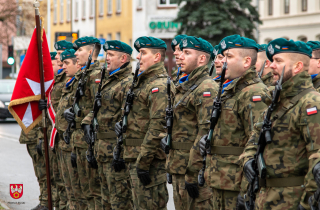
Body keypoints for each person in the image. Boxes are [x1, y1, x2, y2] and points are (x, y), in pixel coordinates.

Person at [243, 38, 320, 209]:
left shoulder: (310, 102)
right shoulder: (276, 100)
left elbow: (317, 159)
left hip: (291, 200)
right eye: (271, 61)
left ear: (298, 66)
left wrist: (308, 203)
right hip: (265, 198)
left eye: (278, 61)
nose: (271, 66)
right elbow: (255, 137)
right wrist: (248, 159)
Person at [198, 34, 270, 210]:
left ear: (246, 62)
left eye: (229, 57)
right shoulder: (230, 90)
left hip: (237, 184)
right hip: (220, 180)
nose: (222, 61)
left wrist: (246, 191)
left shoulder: (253, 93)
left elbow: (256, 145)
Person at [114, 36, 170, 209]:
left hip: (148, 162)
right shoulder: (142, 82)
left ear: (157, 57)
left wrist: (143, 163)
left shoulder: (158, 85)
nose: (138, 57)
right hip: (134, 157)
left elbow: (158, 127)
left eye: (143, 53)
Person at [164, 36, 218, 210]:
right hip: (180, 166)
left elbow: (204, 134)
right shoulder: (186, 84)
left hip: (194, 171)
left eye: (187, 53)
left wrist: (192, 173)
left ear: (202, 59)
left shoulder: (206, 88)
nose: (179, 56)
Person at [81, 40, 134, 210]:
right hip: (101, 150)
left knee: (120, 202)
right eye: (106, 54)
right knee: (105, 201)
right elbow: (98, 109)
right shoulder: (108, 79)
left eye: (111, 55)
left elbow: (130, 118)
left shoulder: (128, 83)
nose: (106, 58)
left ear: (124, 58)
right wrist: (87, 122)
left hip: (116, 152)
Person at [63, 36, 102, 210]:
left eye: (80, 50)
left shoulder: (97, 76)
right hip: (78, 139)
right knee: (82, 192)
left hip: (89, 140)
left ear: (91, 52)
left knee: (93, 193)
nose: (76, 54)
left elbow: (97, 108)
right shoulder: (84, 74)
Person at [55, 49, 87, 209]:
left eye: (66, 63)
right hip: (65, 142)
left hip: (75, 144)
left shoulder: (79, 84)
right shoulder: (69, 84)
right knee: (68, 189)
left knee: (78, 193)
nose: (63, 66)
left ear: (77, 64)